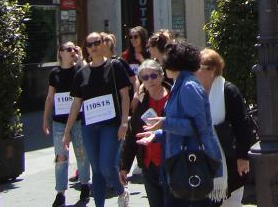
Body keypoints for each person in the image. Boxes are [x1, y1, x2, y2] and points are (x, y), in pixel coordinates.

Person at [137, 41, 225, 206]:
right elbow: (181, 126)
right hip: (180, 161)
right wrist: (156, 135)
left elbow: (196, 127)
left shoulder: (188, 86)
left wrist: (164, 123)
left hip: (190, 163)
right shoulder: (180, 84)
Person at [63, 32, 132, 207]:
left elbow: (125, 96)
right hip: (89, 127)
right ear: (86, 49)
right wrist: (67, 131)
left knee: (107, 166)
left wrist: (124, 122)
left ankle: (121, 191)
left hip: (111, 125)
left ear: (103, 44)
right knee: (96, 170)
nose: (93, 47)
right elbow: (76, 104)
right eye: (90, 44)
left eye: (97, 43)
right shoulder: (82, 72)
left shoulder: (115, 66)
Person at [196, 50, 253, 206]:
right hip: (205, 161)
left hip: (230, 159)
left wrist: (243, 157)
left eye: (199, 67)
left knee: (231, 201)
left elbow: (242, 125)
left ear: (212, 70)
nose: (195, 72)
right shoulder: (197, 93)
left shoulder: (228, 91)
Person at [44, 41, 91, 207]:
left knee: (82, 153)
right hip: (59, 122)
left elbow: (88, 75)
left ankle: (85, 184)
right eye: (68, 49)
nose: (72, 51)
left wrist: (80, 58)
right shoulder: (54, 73)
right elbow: (50, 97)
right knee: (60, 157)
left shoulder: (79, 70)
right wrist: (45, 119)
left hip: (78, 119)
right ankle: (60, 193)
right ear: (60, 53)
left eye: (74, 49)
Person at [119, 60, 169, 207]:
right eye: (145, 77)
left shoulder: (173, 97)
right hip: (148, 163)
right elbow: (132, 135)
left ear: (161, 75)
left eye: (153, 76)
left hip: (171, 162)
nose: (150, 80)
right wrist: (124, 166)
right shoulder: (141, 102)